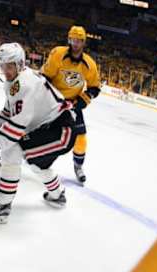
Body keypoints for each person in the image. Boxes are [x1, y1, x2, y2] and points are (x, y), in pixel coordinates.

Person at [0, 43, 76, 224]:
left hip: (61, 131)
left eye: (10, 66)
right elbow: (7, 115)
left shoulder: (25, 84)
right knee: (37, 163)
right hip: (49, 128)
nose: (6, 71)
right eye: (2, 66)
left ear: (20, 63)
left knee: (13, 151)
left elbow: (16, 128)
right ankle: (58, 194)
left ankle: (3, 207)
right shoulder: (14, 82)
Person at [41, 26, 101, 184]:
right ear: (69, 40)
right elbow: (45, 78)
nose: (75, 43)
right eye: (72, 40)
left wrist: (83, 100)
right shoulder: (58, 54)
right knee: (38, 131)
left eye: (79, 40)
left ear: (83, 42)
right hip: (52, 103)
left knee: (81, 138)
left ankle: (78, 166)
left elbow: (95, 87)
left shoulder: (89, 64)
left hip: (72, 106)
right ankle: (21, 156)